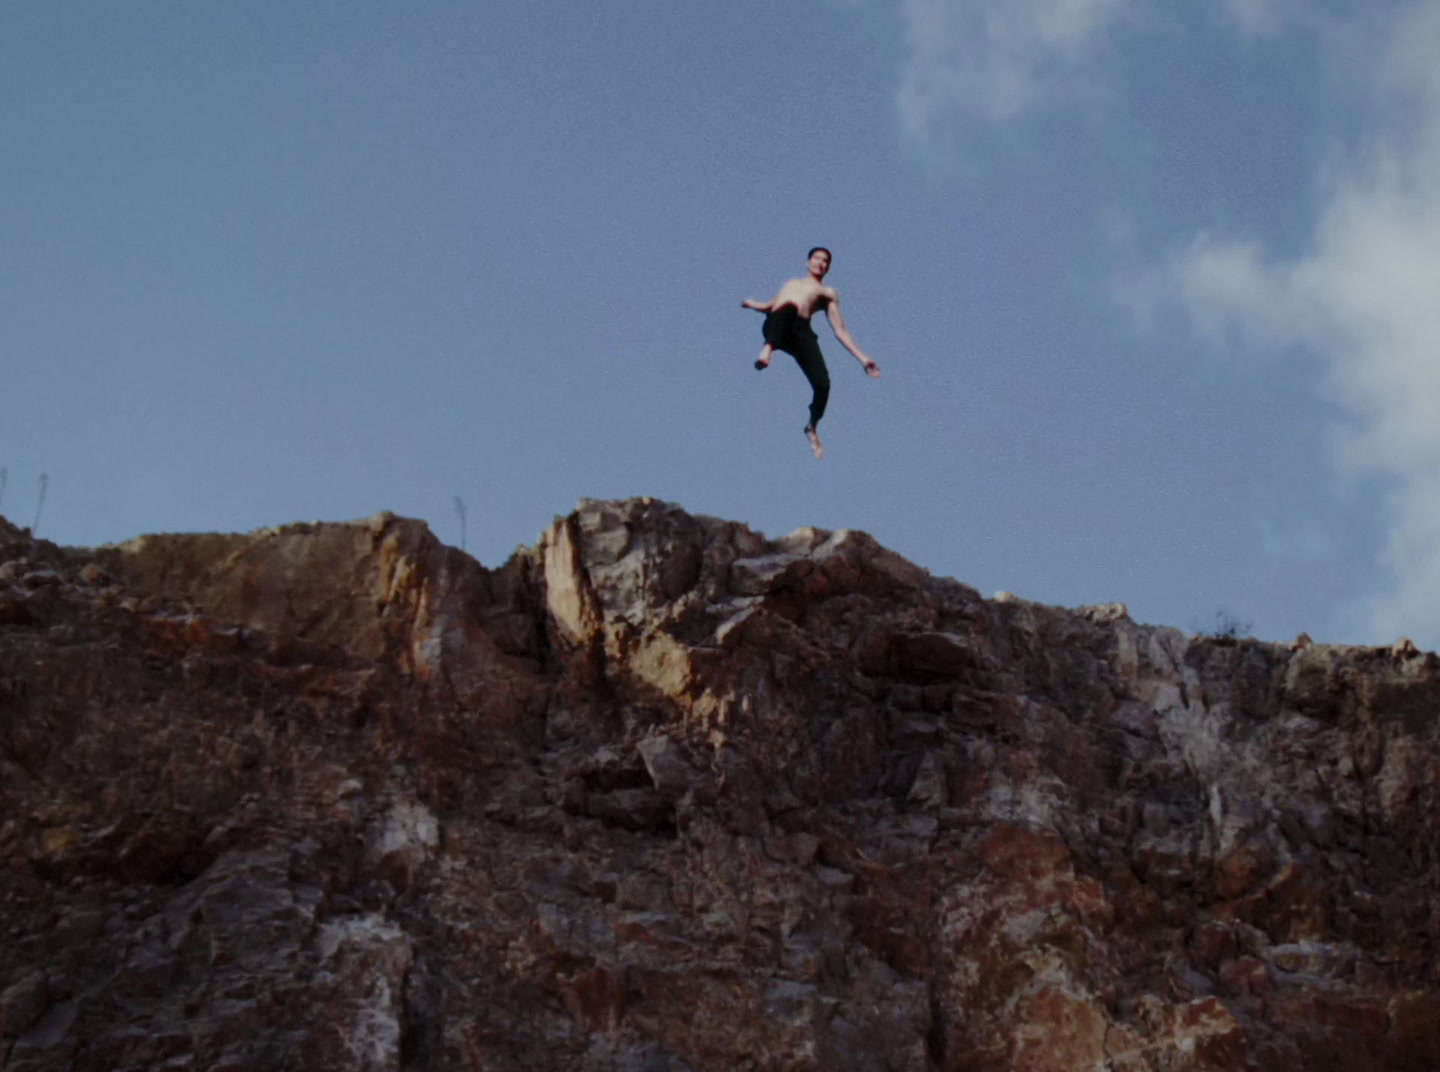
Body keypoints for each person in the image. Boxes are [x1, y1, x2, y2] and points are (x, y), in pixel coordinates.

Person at [742, 247, 880, 459]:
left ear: (828, 268)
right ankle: (768, 349)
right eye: (817, 258)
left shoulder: (828, 293)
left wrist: (863, 358)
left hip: (801, 333)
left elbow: (840, 330)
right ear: (808, 262)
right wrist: (753, 305)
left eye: (826, 261)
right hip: (777, 325)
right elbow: (772, 306)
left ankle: (812, 426)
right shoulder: (791, 284)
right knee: (787, 308)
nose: (821, 263)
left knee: (823, 384)